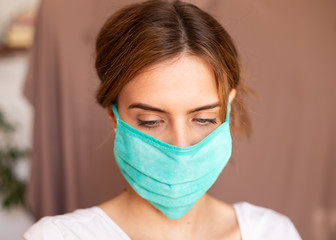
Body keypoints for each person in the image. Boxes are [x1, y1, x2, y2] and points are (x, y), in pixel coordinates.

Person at [23, 0, 302, 239]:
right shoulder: (56, 237)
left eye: (203, 119)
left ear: (227, 111)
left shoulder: (274, 233)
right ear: (114, 117)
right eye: (150, 121)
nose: (180, 147)